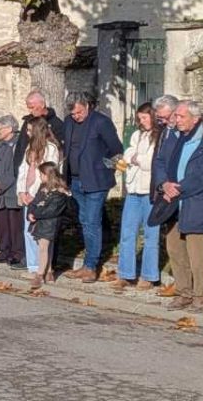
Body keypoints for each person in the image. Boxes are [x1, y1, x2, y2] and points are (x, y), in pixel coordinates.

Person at [158, 100, 203, 313]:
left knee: (196, 254)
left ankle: (200, 296)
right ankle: (183, 292)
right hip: (172, 201)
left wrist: (179, 188)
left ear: (195, 119)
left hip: (196, 202)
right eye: (175, 116)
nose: (176, 120)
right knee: (175, 249)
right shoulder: (174, 135)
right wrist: (164, 184)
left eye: (181, 116)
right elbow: (160, 161)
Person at [61, 92, 123, 282]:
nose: (76, 117)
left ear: (86, 105)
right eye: (73, 114)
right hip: (75, 180)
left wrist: (105, 169)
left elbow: (116, 149)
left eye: (79, 112)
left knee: (91, 221)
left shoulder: (101, 122)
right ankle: (89, 261)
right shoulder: (68, 122)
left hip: (96, 181)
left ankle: (91, 266)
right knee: (84, 220)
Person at [114, 103, 161, 290]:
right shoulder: (136, 135)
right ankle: (126, 273)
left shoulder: (160, 136)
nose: (141, 122)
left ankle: (149, 275)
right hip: (133, 189)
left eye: (145, 118)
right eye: (139, 118)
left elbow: (151, 162)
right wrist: (134, 158)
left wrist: (137, 158)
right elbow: (127, 154)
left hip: (149, 191)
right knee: (127, 233)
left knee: (151, 235)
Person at [17, 118, 63, 275]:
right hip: (27, 193)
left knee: (42, 234)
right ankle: (33, 266)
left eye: (30, 130)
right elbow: (23, 170)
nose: (27, 133)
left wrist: (33, 194)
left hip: (41, 195)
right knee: (28, 231)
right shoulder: (29, 147)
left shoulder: (51, 149)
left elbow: (47, 174)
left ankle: (43, 268)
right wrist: (22, 191)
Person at [150, 94, 181, 296]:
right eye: (159, 118)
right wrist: (163, 184)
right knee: (172, 242)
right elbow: (159, 160)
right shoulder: (165, 131)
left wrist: (174, 187)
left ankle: (184, 285)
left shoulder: (184, 132)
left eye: (165, 117)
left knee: (183, 243)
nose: (162, 121)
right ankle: (180, 283)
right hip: (166, 190)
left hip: (181, 192)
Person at [27, 162, 70, 290]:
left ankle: (40, 274)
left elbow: (51, 210)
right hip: (41, 222)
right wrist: (30, 212)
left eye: (41, 174)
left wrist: (35, 213)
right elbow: (35, 201)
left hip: (51, 223)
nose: (40, 177)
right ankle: (49, 271)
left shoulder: (60, 193)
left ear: (48, 175)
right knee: (46, 247)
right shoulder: (43, 187)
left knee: (43, 247)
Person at [0, 115, 22, 269]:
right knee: (2, 225)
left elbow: (15, 169)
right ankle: (4, 251)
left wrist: (1, 185)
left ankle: (17, 254)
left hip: (11, 191)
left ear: (10, 129)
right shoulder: (0, 143)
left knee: (15, 225)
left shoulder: (18, 143)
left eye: (1, 128)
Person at [13, 90, 66, 175]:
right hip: (24, 171)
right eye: (28, 107)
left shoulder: (57, 125)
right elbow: (20, 147)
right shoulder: (28, 122)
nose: (30, 111)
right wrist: (16, 170)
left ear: (42, 105)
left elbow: (59, 153)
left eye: (32, 107)